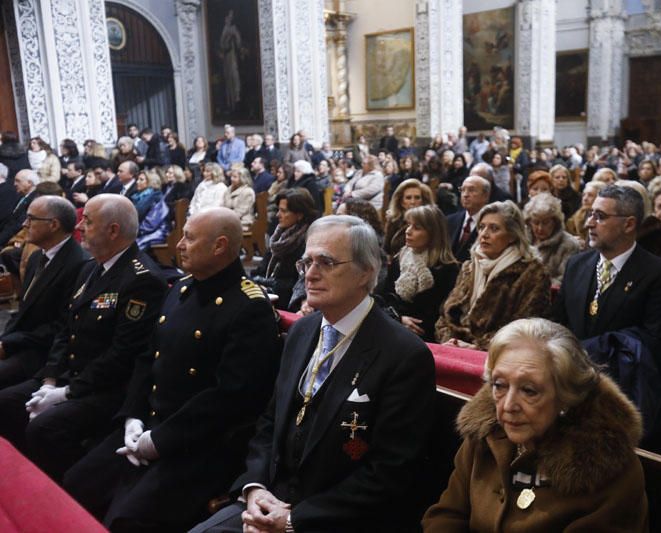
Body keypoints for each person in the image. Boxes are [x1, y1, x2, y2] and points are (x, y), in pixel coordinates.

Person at [190, 215, 436, 533]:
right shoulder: (303, 331)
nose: (311, 274)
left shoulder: (404, 355)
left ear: (367, 272)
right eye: (306, 262)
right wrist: (254, 489)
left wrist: (294, 520)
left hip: (335, 521)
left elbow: (389, 471)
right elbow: (269, 424)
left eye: (326, 262)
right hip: (269, 502)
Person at [63, 208, 281, 532]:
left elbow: (231, 398)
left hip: (197, 444)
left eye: (190, 238)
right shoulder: (181, 289)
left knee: (127, 520)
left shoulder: (249, 308)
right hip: (149, 425)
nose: (179, 244)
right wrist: (132, 417)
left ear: (219, 246)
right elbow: (147, 358)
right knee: (75, 484)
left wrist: (160, 440)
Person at [423, 318, 648, 532]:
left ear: (566, 397)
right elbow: (447, 515)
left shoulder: (607, 466)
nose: (508, 405)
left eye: (529, 391)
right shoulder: (485, 434)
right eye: (499, 385)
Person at [0, 194, 167, 481]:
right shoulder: (91, 268)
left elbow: (122, 354)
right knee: (6, 402)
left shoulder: (142, 279)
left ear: (113, 230)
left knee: (44, 428)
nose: (79, 225)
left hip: (107, 388)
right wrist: (50, 379)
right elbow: (66, 328)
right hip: (70, 376)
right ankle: (25, 479)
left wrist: (66, 392)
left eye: (88, 221)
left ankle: (63, 491)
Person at [552, 184, 661, 380]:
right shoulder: (576, 265)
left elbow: (655, 345)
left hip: (619, 383)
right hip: (567, 377)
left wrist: (588, 351)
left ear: (628, 225)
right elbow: (557, 322)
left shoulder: (658, 274)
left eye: (600, 216)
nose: (589, 223)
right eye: (590, 214)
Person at [436, 201, 550, 350]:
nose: (484, 234)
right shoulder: (469, 267)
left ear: (512, 236)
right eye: (482, 227)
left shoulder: (532, 273)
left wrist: (477, 347)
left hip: (499, 356)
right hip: (454, 349)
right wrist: (451, 341)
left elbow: (523, 329)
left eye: (494, 228)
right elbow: (445, 317)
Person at [0, 197, 88, 389]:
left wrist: (9, 344)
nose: (24, 224)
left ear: (53, 224)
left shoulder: (79, 263)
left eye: (31, 218)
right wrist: (4, 340)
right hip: (22, 342)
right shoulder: (37, 257)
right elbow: (23, 312)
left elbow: (62, 326)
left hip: (44, 353)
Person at [382, 205, 459, 342]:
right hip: (393, 329)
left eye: (416, 228)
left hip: (427, 338)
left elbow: (445, 314)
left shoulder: (448, 268)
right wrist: (399, 319)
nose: (408, 231)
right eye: (408, 225)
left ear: (433, 233)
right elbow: (382, 297)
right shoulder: (399, 259)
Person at [252, 189, 318, 309]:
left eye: (283, 211)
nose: (278, 215)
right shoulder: (279, 236)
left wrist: (266, 286)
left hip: (287, 303)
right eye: (278, 210)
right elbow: (261, 269)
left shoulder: (308, 242)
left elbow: (297, 284)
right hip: (268, 293)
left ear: (299, 215)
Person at [524, 193, 581, 285]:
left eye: (545, 223)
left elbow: (564, 280)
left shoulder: (569, 245)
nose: (540, 228)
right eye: (535, 222)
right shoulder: (523, 239)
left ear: (555, 222)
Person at [383, 179, 435, 257]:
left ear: (423, 201)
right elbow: (386, 249)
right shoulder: (394, 220)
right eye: (408, 198)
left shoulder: (431, 222)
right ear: (401, 202)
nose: (413, 202)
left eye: (417, 198)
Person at [446, 176, 491, 262]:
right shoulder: (449, 221)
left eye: (471, 190)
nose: (465, 195)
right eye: (463, 190)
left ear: (485, 196)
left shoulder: (491, 225)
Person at [0, 170, 40, 248]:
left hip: (14, 240)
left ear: (29, 183)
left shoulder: (34, 201)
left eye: (18, 181)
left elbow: (17, 226)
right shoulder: (21, 196)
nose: (15, 184)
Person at [224, 165, 256, 231]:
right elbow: (222, 205)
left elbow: (239, 212)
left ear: (242, 178)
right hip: (228, 220)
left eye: (235, 177)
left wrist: (224, 219)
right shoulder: (229, 189)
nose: (231, 179)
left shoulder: (248, 192)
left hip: (243, 222)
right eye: (231, 176)